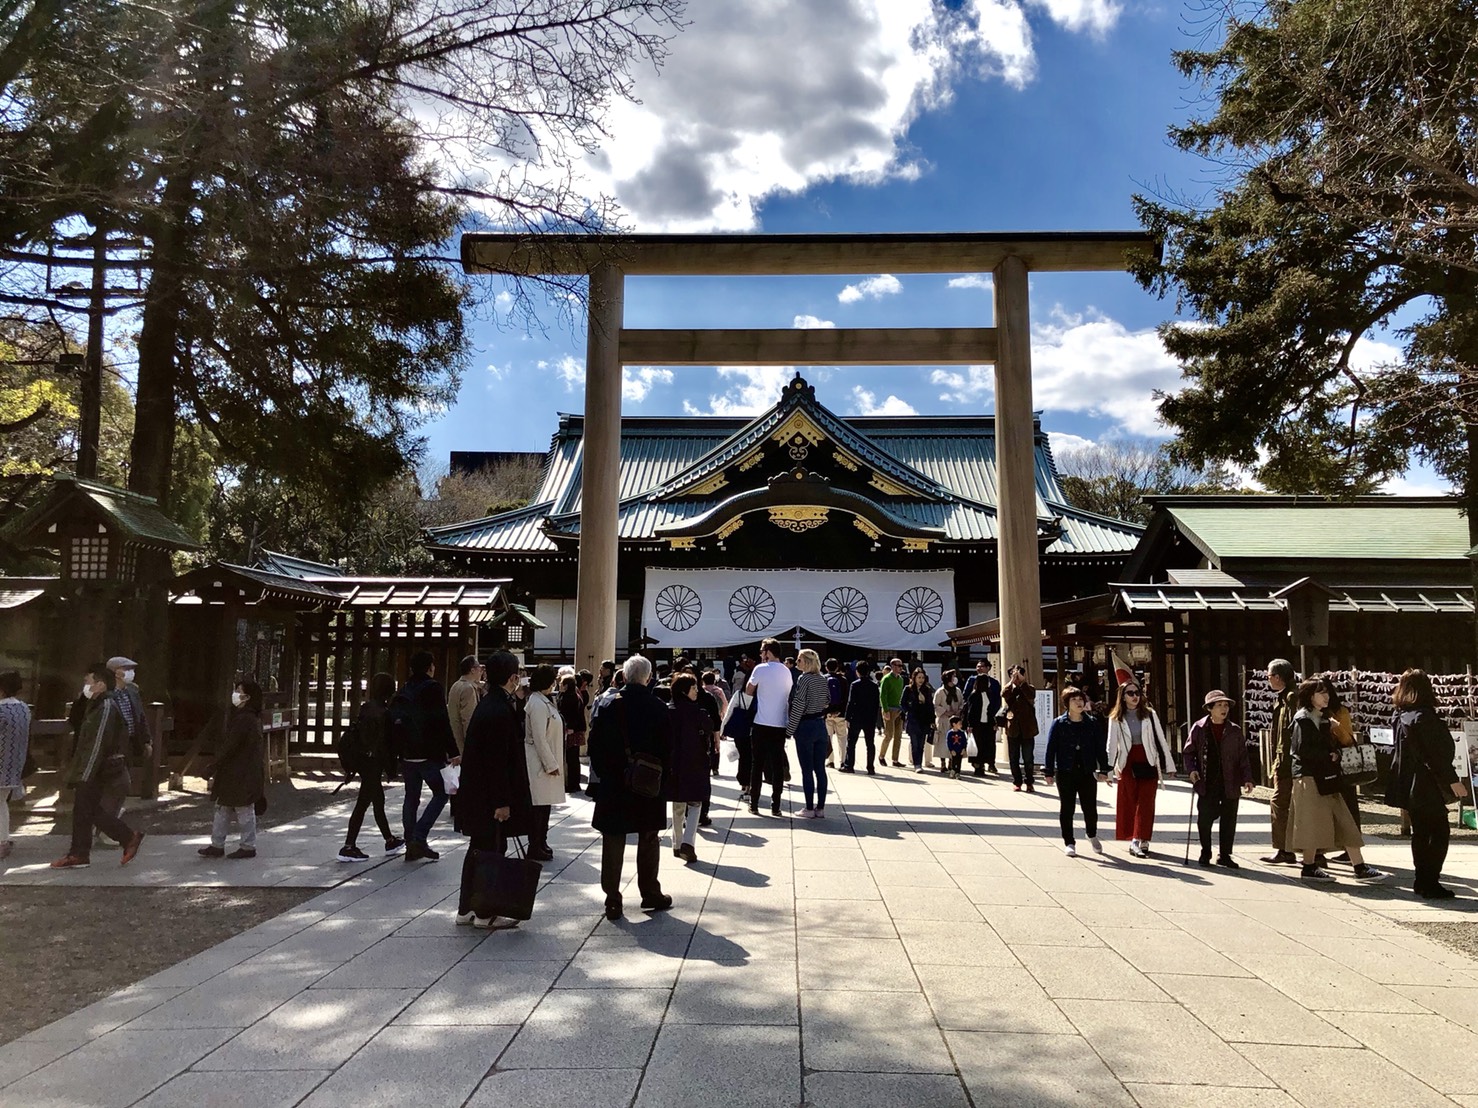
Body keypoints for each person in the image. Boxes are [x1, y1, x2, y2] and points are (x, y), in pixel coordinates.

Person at [589, 655, 673, 920]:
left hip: (614, 781)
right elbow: (669, 750)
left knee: (613, 839)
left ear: (623, 676)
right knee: (648, 837)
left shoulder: (607, 705)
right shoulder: (659, 707)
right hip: (648, 782)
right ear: (648, 678)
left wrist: (605, 774)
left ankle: (612, 898)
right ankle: (650, 892)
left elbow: (594, 746)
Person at [456, 651, 533, 929]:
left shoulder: (488, 705)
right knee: (491, 850)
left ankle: (466, 908)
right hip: (490, 797)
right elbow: (498, 762)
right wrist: (502, 801)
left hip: (476, 793)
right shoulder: (500, 710)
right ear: (512, 677)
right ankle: (485, 911)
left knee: (477, 850)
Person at [1288, 677, 1387, 883]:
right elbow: (1301, 750)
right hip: (1309, 777)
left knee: (1344, 819)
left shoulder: (1323, 717)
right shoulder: (1303, 718)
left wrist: (1333, 748)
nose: (1326, 697)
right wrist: (1329, 755)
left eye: (1327, 692)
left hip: (1327, 776)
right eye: (1321, 693)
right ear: (1310, 696)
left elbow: (1340, 743)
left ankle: (1358, 866)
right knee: (1311, 823)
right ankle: (1309, 866)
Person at [51, 663, 146, 869]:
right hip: (92, 766)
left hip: (96, 767)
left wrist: (84, 773)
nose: (85, 686)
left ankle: (123, 838)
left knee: (88, 809)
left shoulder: (105, 708)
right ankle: (82, 852)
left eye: (88, 682)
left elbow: (97, 742)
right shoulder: (96, 705)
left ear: (100, 685)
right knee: (86, 810)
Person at [1386, 668, 1468, 898]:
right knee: (1439, 832)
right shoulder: (1425, 718)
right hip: (1427, 783)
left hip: (1408, 782)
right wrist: (1452, 781)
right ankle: (1430, 880)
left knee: (1421, 832)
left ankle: (1421, 879)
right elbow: (1435, 756)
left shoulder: (1400, 717)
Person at [397, 651, 461, 862]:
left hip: (407, 752)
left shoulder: (405, 688)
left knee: (411, 797)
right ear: (430, 667)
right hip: (428, 752)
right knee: (442, 793)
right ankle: (419, 836)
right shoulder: (432, 688)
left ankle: (410, 843)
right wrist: (453, 751)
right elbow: (441, 721)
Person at [338, 672, 404, 862]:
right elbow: (385, 744)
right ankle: (349, 845)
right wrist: (392, 767)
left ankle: (389, 839)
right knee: (364, 803)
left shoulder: (366, 708)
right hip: (373, 763)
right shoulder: (384, 713)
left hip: (363, 760)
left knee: (377, 800)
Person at [1184, 691, 1255, 867]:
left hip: (1229, 781)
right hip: (1207, 781)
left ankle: (1225, 854)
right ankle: (1205, 851)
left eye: (1226, 705)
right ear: (1210, 709)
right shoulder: (1199, 728)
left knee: (1229, 820)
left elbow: (1243, 757)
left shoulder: (1234, 730)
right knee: (1205, 819)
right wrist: (1192, 770)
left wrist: (1247, 778)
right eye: (1219, 705)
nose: (1224, 709)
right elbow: (1188, 752)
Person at [1107, 681, 1175, 859]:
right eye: (1130, 693)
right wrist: (1107, 771)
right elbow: (1112, 746)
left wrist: (1169, 765)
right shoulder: (1116, 718)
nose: (1134, 696)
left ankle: (1141, 838)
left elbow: (1161, 739)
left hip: (1148, 759)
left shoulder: (1149, 714)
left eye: (1137, 692)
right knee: (1130, 800)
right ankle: (1135, 838)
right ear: (1122, 696)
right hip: (1127, 761)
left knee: (1146, 801)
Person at [199, 680, 265, 859]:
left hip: (240, 771)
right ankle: (218, 844)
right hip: (238, 770)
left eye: (238, 691)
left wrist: (214, 766)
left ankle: (247, 845)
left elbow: (230, 746)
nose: (235, 694)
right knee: (224, 807)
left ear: (247, 697)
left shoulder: (245, 719)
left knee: (242, 809)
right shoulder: (249, 718)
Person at [1042, 687, 1109, 858]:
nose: (1079, 703)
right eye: (1074, 700)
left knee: (1090, 807)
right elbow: (1051, 749)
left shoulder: (1092, 723)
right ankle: (1069, 842)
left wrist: (1104, 769)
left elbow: (1100, 748)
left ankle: (1091, 834)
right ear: (1067, 703)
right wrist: (1048, 771)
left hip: (1087, 771)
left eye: (1081, 699)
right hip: (1065, 771)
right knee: (1067, 808)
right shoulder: (1059, 723)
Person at [745, 639, 794, 816]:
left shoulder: (760, 669)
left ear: (767, 652)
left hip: (761, 722)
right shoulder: (787, 671)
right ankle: (776, 805)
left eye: (761, 651)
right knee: (777, 764)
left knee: (757, 764)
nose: (760, 654)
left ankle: (754, 803)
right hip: (780, 723)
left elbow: (748, 691)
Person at [523, 665, 565, 863]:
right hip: (540, 762)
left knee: (545, 806)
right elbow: (539, 737)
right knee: (538, 807)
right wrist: (550, 764)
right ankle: (535, 844)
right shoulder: (537, 703)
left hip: (548, 759)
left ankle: (542, 841)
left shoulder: (544, 701)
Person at [669, 674, 712, 861]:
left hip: (673, 764)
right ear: (684, 691)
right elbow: (709, 728)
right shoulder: (697, 712)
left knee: (677, 804)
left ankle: (677, 844)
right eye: (694, 688)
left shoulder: (668, 711)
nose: (696, 691)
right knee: (695, 803)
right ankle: (688, 842)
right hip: (694, 762)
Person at [1261, 658, 1299, 865]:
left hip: (1289, 761)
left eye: (1268, 676)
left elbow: (1292, 732)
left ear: (1277, 677)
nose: (1268, 680)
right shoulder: (1285, 697)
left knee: (1280, 803)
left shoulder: (1292, 698)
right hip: (1285, 760)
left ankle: (1285, 849)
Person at [788, 649, 831, 818]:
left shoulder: (803, 679)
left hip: (805, 726)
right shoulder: (822, 679)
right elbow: (827, 699)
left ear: (806, 662)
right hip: (820, 724)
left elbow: (798, 705)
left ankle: (808, 807)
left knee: (807, 769)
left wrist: (790, 729)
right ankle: (820, 807)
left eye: (799, 660)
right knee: (820, 769)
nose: (797, 663)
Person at [0, 671, 31, 859]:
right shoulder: (24, 708)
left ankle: (2, 840)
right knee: (1, 803)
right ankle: (3, 839)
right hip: (14, 764)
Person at [966, 660, 1004, 779]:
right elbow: (970, 708)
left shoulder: (992, 686)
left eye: (982, 666)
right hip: (977, 723)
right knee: (978, 744)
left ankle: (990, 763)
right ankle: (978, 765)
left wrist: (995, 721)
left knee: (989, 743)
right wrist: (969, 724)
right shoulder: (974, 691)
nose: (979, 668)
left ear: (988, 668)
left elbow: (996, 703)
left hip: (988, 721)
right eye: (978, 666)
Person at [999, 664, 1036, 783]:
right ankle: (1017, 781)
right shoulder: (1009, 688)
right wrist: (1011, 682)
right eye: (1012, 674)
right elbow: (1004, 694)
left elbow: (1031, 695)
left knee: (1028, 758)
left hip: (1028, 728)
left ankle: (1029, 781)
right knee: (1013, 757)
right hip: (1013, 728)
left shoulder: (1029, 687)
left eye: (1018, 674)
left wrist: (1022, 682)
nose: (1015, 676)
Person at [842, 660, 880, 775]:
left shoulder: (855, 685)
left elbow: (851, 702)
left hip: (856, 717)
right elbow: (876, 704)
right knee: (870, 743)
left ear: (857, 672)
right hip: (869, 718)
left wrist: (847, 717)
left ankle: (849, 765)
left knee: (852, 743)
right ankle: (870, 767)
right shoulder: (874, 686)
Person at [447, 655, 483, 754]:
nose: (481, 670)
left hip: (454, 739)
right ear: (472, 670)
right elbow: (468, 720)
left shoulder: (456, 685)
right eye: (479, 667)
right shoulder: (469, 688)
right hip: (464, 744)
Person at [902, 668, 936, 772]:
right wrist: (908, 711)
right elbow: (902, 703)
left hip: (924, 719)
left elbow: (930, 706)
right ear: (914, 678)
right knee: (914, 743)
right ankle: (916, 764)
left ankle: (919, 763)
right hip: (913, 719)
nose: (921, 680)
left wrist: (932, 720)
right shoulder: (908, 689)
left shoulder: (927, 689)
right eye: (919, 677)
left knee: (921, 744)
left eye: (922, 677)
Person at [557, 674, 587, 793]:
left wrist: (570, 728)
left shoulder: (570, 697)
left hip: (571, 731)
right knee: (573, 758)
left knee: (572, 758)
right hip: (573, 730)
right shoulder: (574, 695)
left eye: (562, 683)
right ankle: (574, 783)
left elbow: (572, 715)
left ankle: (573, 784)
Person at [931, 670, 962, 772]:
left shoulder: (957, 691)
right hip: (943, 720)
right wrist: (945, 712)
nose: (955, 678)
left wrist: (958, 711)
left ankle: (951, 762)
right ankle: (943, 763)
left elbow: (962, 703)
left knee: (954, 741)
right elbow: (935, 705)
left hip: (955, 721)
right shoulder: (940, 691)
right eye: (953, 676)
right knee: (942, 742)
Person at [878, 657, 905, 767]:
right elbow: (882, 695)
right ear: (893, 666)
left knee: (898, 736)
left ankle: (895, 759)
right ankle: (881, 756)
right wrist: (885, 710)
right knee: (889, 735)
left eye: (901, 666)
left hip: (898, 710)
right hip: (889, 709)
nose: (900, 668)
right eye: (899, 666)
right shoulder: (886, 679)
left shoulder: (901, 679)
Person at [824, 658, 848, 768]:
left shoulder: (823, 679)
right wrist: (841, 711)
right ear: (837, 667)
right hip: (840, 714)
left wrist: (826, 712)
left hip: (827, 714)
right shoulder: (843, 680)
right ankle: (843, 761)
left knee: (828, 738)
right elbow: (846, 697)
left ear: (826, 667)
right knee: (842, 738)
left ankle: (830, 760)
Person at [945, 714, 968, 779]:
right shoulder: (950, 733)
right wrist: (951, 749)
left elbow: (964, 741)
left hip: (960, 750)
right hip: (954, 750)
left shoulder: (962, 733)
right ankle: (953, 770)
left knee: (959, 761)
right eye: (959, 723)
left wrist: (964, 748)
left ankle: (958, 772)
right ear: (954, 724)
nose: (961, 725)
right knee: (953, 760)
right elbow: (948, 742)